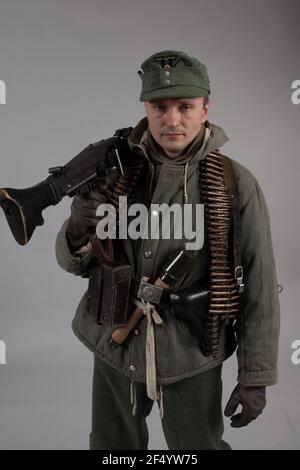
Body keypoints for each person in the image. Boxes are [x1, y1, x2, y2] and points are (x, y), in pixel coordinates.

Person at [55, 50, 280, 450]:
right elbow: (74, 262)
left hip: (190, 351)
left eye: (185, 106)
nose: (172, 120)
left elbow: (260, 284)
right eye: (160, 106)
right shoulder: (115, 172)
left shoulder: (234, 184)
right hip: (113, 340)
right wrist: (76, 227)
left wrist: (255, 374)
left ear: (205, 108)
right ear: (146, 107)